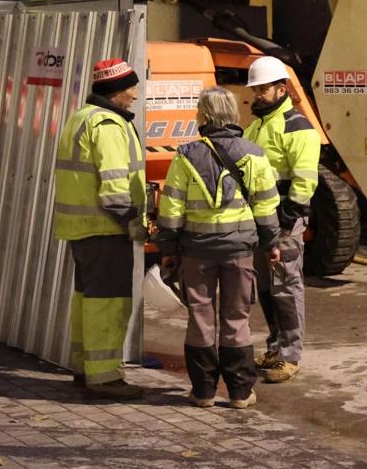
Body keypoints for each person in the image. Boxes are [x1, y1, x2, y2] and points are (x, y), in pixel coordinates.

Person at [155, 87, 281, 409]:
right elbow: (266, 207)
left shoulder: (185, 156)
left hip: (197, 251)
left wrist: (168, 248)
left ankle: (204, 392)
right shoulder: (254, 154)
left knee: (200, 318)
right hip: (239, 251)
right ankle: (240, 393)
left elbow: (170, 207)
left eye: (199, 109)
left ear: (207, 115)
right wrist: (271, 244)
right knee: (236, 318)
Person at [53, 58, 149, 400]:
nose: (136, 94)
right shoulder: (108, 125)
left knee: (88, 301)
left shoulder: (80, 117)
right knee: (109, 304)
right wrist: (134, 224)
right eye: (131, 87)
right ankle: (105, 377)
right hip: (106, 228)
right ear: (116, 91)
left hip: (82, 229)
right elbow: (114, 188)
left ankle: (86, 367)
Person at [242, 57, 321, 384]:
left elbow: (305, 179)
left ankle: (290, 355)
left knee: (287, 288)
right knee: (266, 288)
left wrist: (288, 217)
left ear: (281, 88)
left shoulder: (298, 127)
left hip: (284, 221)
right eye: (255, 89)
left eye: (263, 89)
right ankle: (275, 347)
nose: (258, 95)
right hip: (259, 220)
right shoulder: (254, 127)